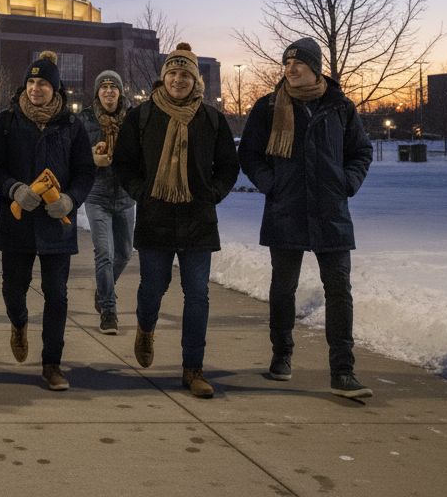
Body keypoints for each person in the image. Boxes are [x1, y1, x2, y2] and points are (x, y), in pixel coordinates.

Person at [238, 37, 374, 399]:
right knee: (284, 288)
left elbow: (361, 151)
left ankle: (343, 370)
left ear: (315, 68)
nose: (291, 69)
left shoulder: (340, 106)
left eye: (298, 64)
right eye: (286, 64)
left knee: (339, 290)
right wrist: (273, 183)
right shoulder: (268, 107)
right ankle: (282, 356)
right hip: (287, 208)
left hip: (331, 211)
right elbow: (249, 154)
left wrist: (347, 182)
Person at [113, 43, 238, 399]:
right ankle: (146, 327)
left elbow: (229, 166)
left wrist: (212, 193)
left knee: (197, 295)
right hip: (156, 219)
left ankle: (193, 369)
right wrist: (142, 192)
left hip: (199, 220)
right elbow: (124, 163)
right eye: (173, 73)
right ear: (163, 77)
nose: (179, 79)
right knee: (153, 288)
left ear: (196, 79)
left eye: (186, 74)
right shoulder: (143, 116)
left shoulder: (211, 119)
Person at [0, 50, 96, 391]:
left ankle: (52, 363)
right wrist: (13, 188)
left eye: (43, 83)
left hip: (55, 224)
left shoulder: (71, 126)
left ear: (56, 89)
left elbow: (84, 172)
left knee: (57, 295)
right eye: (31, 82)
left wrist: (70, 200)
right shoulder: (7, 122)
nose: (36, 89)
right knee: (13, 290)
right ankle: (19, 323)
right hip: (17, 221)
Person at [79, 70, 136, 335]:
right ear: (97, 92)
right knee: (105, 254)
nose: (109, 91)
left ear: (121, 92)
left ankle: (103, 289)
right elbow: (76, 156)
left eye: (114, 86)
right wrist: (91, 157)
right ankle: (108, 311)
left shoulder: (132, 119)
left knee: (124, 253)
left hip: (125, 195)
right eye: (104, 87)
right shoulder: (86, 119)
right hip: (97, 195)